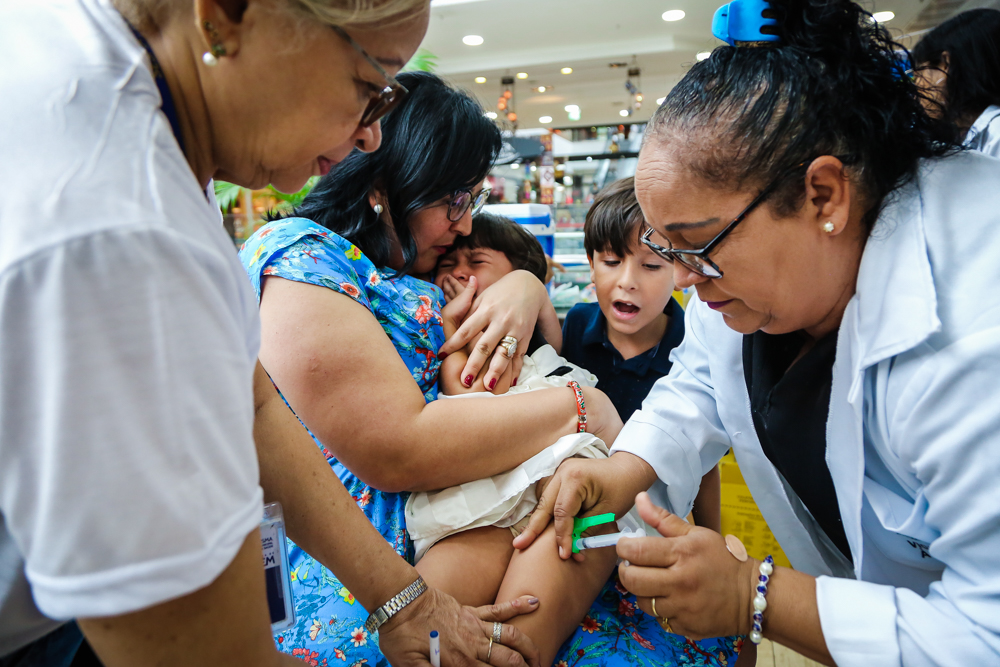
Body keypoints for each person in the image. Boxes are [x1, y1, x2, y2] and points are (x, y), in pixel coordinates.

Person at [0, 2, 539, 666]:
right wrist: (576, 407)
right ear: (224, 15)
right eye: (369, 86)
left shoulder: (139, 113)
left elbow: (249, 400)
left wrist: (402, 599)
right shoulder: (118, 225)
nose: (371, 136)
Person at [516, 1, 1000, 665]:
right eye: (668, 247)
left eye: (697, 245)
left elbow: (985, 633)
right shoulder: (762, 283)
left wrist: (755, 594)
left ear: (823, 195)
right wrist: (622, 471)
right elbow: (697, 385)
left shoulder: (973, 324)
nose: (683, 279)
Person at [240, 72, 741, 666]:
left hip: (496, 517)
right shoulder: (303, 258)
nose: (463, 225)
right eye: (454, 201)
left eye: (472, 203)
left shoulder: (409, 259)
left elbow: (526, 335)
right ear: (387, 185)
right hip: (379, 571)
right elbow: (397, 449)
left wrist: (524, 284)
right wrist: (582, 407)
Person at [559, 178, 720, 532]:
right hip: (581, 513)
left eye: (651, 266)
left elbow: (704, 464)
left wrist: (713, 536)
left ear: (680, 270)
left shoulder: (692, 348)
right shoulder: (575, 325)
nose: (627, 280)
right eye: (611, 261)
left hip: (656, 522)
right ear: (591, 263)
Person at [912, 8, 1000, 156]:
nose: (916, 90)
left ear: (945, 64)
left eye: (917, 76)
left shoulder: (996, 134)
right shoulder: (973, 136)